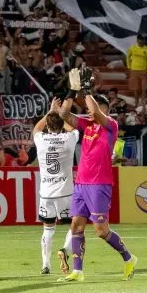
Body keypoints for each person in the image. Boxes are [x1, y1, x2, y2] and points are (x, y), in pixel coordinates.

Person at [57, 91, 137, 282]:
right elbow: (64, 116)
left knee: (101, 231)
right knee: (76, 227)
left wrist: (86, 92)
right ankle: (77, 271)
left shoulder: (111, 126)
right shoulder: (88, 125)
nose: (89, 112)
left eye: (93, 108)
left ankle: (129, 258)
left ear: (105, 109)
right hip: (81, 183)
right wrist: (71, 93)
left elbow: (97, 112)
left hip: (100, 184)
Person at [32, 98, 79, 275]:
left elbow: (36, 128)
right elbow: (74, 129)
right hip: (66, 192)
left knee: (48, 229)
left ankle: (46, 265)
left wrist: (50, 112)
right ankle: (65, 251)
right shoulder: (69, 138)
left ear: (48, 126)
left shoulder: (41, 139)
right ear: (61, 124)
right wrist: (61, 115)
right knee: (74, 225)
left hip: (46, 193)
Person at [126, 34, 147, 102]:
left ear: (144, 41)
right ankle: (136, 101)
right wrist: (128, 66)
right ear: (137, 40)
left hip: (144, 71)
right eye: (140, 40)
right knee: (136, 88)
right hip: (134, 70)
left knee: (144, 89)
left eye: (143, 40)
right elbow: (128, 57)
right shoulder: (132, 48)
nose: (141, 42)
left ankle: (143, 103)